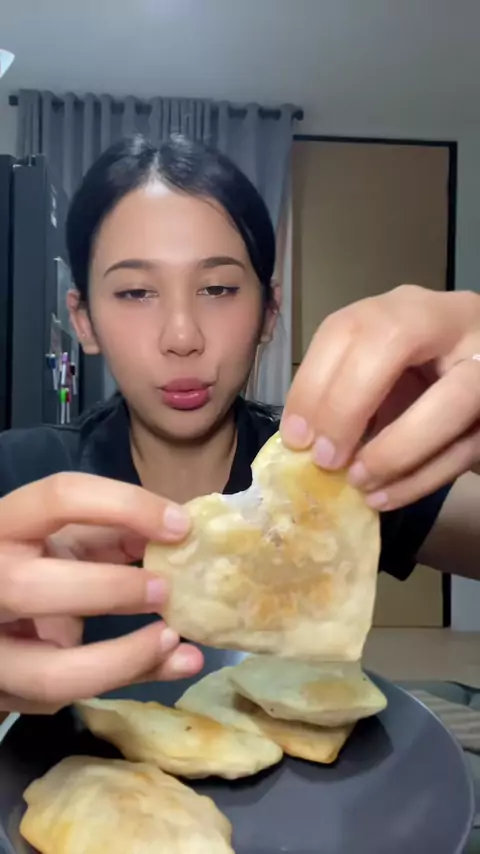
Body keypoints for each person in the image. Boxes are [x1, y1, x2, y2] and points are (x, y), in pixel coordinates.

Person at [1, 134, 480, 717]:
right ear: (84, 321)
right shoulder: (17, 474)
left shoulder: (334, 470)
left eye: (218, 288)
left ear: (268, 313)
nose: (182, 337)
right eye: (136, 292)